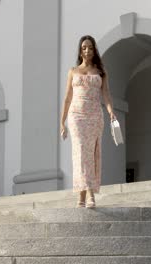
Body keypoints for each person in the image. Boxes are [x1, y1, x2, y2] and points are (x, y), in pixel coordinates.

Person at [60, 35, 116, 208]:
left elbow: (106, 94)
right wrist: (62, 122)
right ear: (80, 50)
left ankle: (82, 197)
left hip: (94, 115)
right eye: (84, 47)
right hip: (76, 115)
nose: (87, 50)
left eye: (90, 48)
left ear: (94, 50)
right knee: (80, 153)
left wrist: (111, 111)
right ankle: (89, 194)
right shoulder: (73, 71)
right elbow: (67, 98)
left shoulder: (101, 72)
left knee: (91, 154)